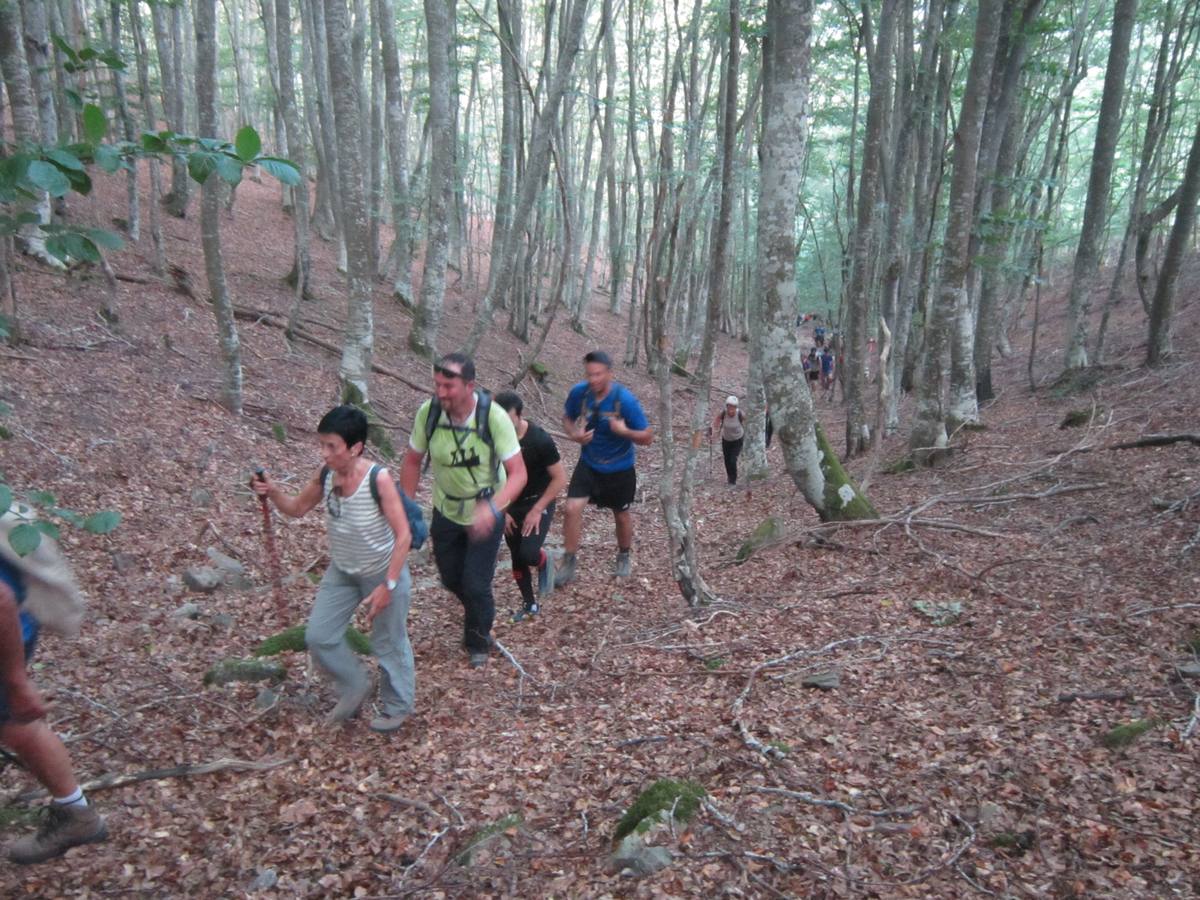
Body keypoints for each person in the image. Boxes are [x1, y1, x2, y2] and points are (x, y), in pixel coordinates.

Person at [251, 405, 415, 733]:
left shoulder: (377, 479)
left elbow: (404, 535)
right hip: (342, 570)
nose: (324, 453)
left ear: (355, 448)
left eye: (331, 446)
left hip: (381, 571)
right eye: (322, 444)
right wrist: (273, 492)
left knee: (388, 642)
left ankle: (397, 708)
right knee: (319, 636)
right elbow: (297, 508)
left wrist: (389, 584)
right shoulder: (326, 474)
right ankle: (355, 684)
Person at [401, 353, 526, 668]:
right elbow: (413, 460)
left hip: (486, 508)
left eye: (449, 386)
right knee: (450, 577)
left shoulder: (493, 418)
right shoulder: (428, 414)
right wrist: (405, 506)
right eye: (437, 384)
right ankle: (478, 611)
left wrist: (493, 509)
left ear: (470, 386)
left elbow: (519, 474)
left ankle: (478, 639)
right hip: (445, 508)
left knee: (475, 582)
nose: (441, 392)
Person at [0, 515, 108, 864]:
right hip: (14, 623)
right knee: (14, 726)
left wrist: (17, 681)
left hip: (9, 629)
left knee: (15, 723)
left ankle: (76, 814)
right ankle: (76, 813)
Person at [557, 350, 653, 584]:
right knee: (571, 508)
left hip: (619, 467)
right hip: (589, 462)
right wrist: (575, 434)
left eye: (598, 374)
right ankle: (568, 563)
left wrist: (625, 432)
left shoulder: (625, 400)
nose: (593, 380)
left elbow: (648, 436)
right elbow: (567, 419)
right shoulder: (580, 393)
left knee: (620, 515)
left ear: (609, 374)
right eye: (589, 374)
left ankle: (623, 556)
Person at [494, 392, 567, 622]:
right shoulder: (492, 440)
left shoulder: (539, 439)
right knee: (517, 556)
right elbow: (490, 478)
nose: (503, 424)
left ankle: (545, 560)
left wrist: (537, 510)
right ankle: (529, 604)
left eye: (508, 419)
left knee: (529, 553)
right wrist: (502, 512)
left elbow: (559, 478)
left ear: (520, 416)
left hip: (539, 500)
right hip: (509, 504)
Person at [711, 396, 745, 485]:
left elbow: (748, 422)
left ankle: (733, 480)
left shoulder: (740, 414)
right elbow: (716, 421)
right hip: (726, 439)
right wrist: (714, 430)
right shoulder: (723, 413)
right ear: (727, 406)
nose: (731, 409)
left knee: (733, 460)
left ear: (736, 407)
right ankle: (729, 477)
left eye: (733, 407)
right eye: (729, 406)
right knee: (727, 460)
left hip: (738, 439)